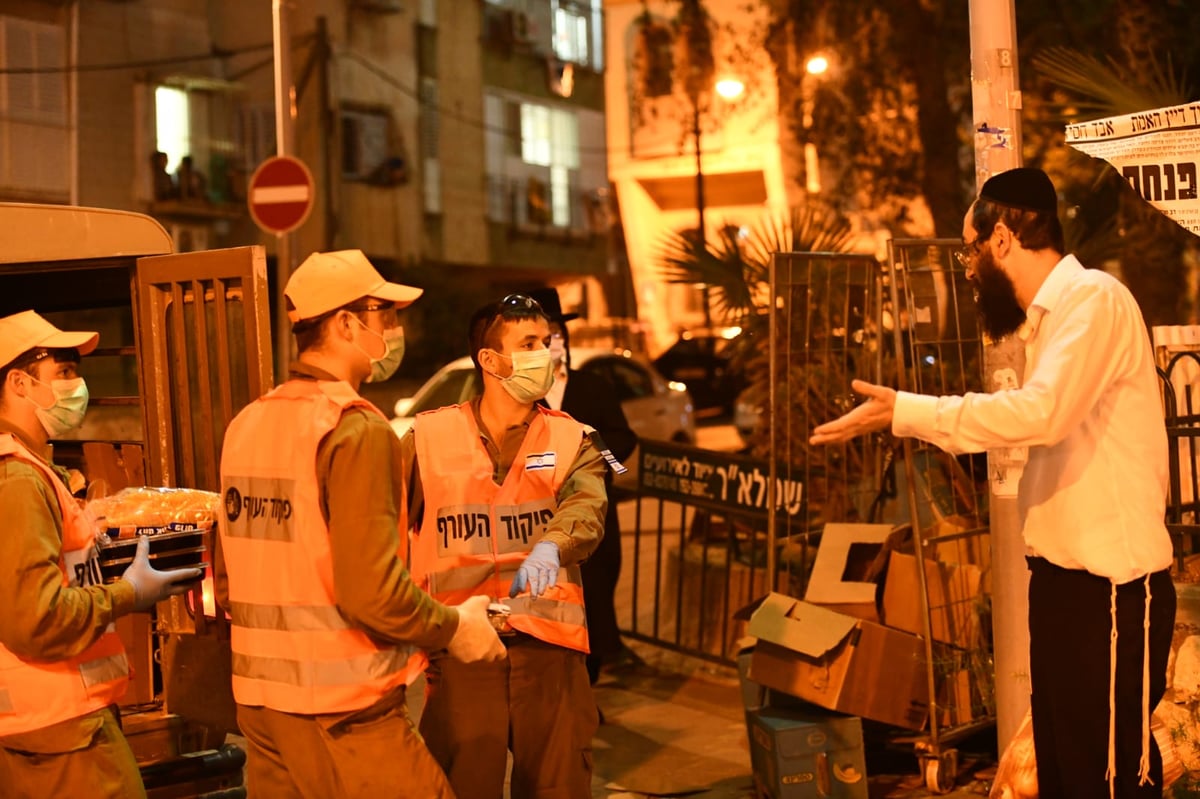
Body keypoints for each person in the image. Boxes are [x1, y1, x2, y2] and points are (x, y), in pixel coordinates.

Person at [809, 168, 1175, 799]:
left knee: (1107, 779)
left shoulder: (1095, 300)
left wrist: (907, 411)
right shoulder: (1053, 322)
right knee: (1064, 775)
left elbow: (1041, 412)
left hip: (1112, 597)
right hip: (1066, 592)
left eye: (969, 249)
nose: (968, 268)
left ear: (1001, 237)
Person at [215, 249, 505, 799]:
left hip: (260, 707)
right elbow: (373, 593)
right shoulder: (353, 429)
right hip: (344, 710)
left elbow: (229, 578)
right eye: (385, 314)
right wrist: (456, 626)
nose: (396, 328)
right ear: (347, 323)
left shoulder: (248, 422)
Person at [402, 292, 611, 799]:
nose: (546, 353)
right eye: (530, 343)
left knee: (557, 786)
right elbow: (380, 526)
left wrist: (553, 546)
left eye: (547, 341)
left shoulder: (574, 438)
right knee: (461, 784)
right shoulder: (426, 438)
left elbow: (587, 508)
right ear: (490, 360)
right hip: (462, 651)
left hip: (548, 652)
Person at [0, 310, 202, 798]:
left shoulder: (31, 470)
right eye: (65, 373)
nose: (78, 385)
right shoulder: (18, 480)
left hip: (52, 725)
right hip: (60, 729)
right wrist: (126, 594)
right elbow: (35, 617)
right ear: (20, 383)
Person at [527, 286, 639, 685]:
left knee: (592, 606)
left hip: (591, 521)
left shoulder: (592, 387)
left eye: (554, 334)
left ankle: (587, 688)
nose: (550, 343)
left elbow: (622, 439)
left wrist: (588, 456)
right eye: (537, 337)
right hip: (536, 522)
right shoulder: (519, 394)